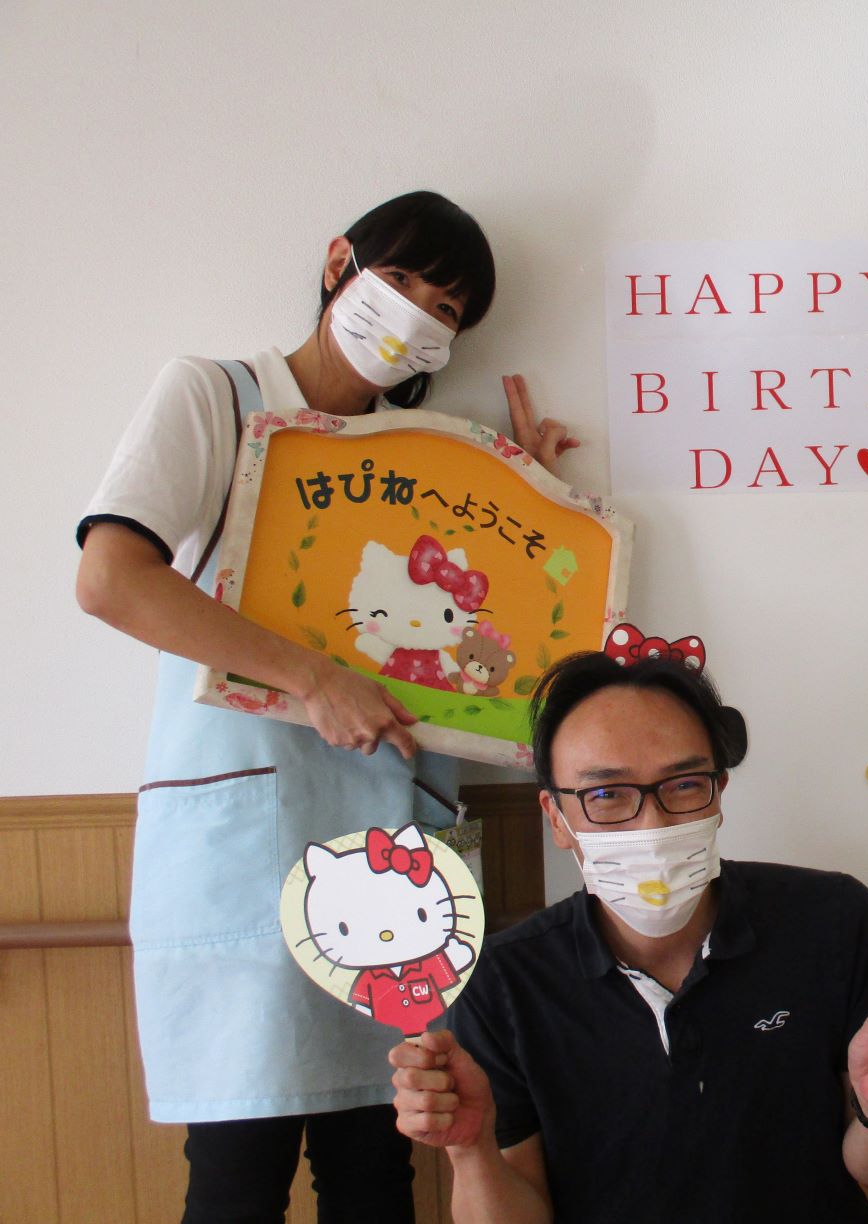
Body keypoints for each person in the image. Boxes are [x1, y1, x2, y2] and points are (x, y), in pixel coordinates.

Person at [75, 191, 579, 1223]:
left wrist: (532, 515)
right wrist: (310, 679)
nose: (416, 316)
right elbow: (111, 578)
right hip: (245, 847)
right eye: (399, 280)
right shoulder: (215, 395)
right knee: (237, 1176)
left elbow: (482, 673)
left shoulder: (440, 459)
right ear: (339, 261)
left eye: (446, 309)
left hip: (398, 852)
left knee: (376, 1175)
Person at [389, 651, 868, 1223]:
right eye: (606, 795)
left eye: (684, 785)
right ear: (555, 817)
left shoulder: (830, 920)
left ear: (719, 792)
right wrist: (471, 1149)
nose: (652, 827)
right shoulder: (504, 981)